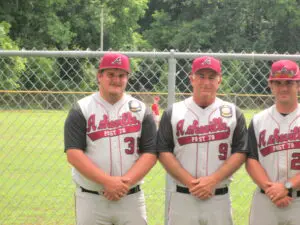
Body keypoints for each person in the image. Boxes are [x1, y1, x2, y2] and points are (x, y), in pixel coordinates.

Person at [64, 52, 157, 225]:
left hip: (131, 197)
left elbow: (150, 152)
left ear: (127, 78)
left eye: (121, 75)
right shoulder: (81, 109)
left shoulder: (141, 110)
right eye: (111, 74)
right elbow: (73, 154)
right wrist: (107, 182)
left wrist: (123, 184)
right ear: (99, 76)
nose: (116, 80)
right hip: (92, 198)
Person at [157, 56, 248, 225]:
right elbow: (163, 151)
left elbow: (241, 151)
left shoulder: (234, 113)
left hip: (219, 197)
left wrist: (212, 180)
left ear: (219, 81)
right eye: (201, 76)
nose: (206, 82)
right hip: (183, 196)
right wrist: (191, 183)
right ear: (191, 79)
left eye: (211, 77)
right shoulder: (174, 112)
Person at [246, 59, 300, 225]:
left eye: (289, 83)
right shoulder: (258, 120)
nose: (283, 88)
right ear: (270, 85)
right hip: (266, 200)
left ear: (298, 85)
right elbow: (251, 159)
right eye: (278, 82)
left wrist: (287, 187)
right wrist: (272, 190)